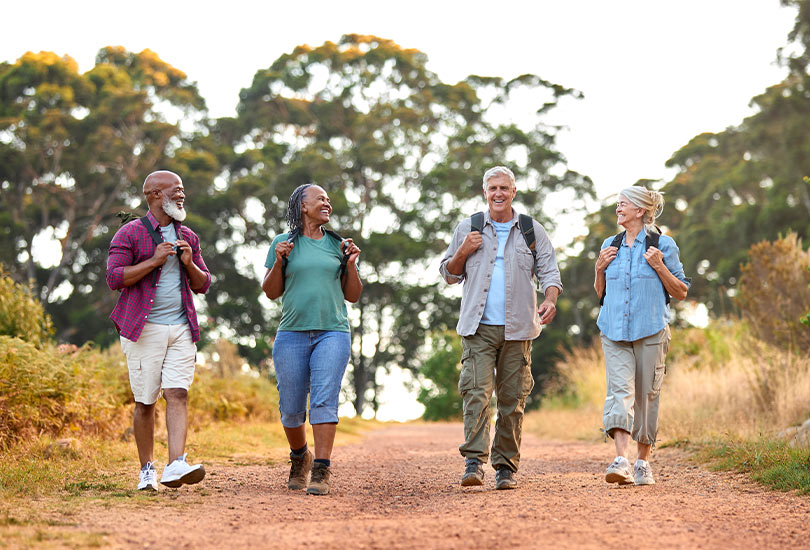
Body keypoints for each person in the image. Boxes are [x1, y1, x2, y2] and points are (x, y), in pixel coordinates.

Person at [439, 166, 562, 490]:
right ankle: (474, 464)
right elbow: (449, 274)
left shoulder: (531, 230)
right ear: (484, 192)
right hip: (477, 328)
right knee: (476, 395)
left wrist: (549, 300)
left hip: (519, 329)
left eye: (504, 188)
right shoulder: (469, 227)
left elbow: (550, 273)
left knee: (512, 401)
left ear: (513, 191)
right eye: (492, 188)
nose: (498, 194)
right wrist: (464, 250)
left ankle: (505, 468)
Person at [107, 170, 212, 491]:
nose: (182, 195)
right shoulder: (130, 234)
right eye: (176, 190)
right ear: (154, 194)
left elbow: (203, 284)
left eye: (182, 190)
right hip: (143, 328)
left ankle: (176, 464)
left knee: (178, 392)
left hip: (182, 327)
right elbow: (114, 278)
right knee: (146, 401)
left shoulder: (188, 237)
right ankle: (147, 470)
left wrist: (190, 263)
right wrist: (153, 261)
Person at [262, 183, 362, 496]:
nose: (327, 203)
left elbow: (354, 295)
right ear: (303, 206)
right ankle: (299, 456)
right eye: (320, 199)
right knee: (291, 409)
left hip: (333, 331)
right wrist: (279, 261)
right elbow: (270, 291)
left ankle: (322, 469)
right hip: (291, 333)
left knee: (323, 399)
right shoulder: (283, 243)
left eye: (329, 200)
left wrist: (351, 265)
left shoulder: (338, 244)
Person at [593, 186, 690, 486]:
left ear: (640, 211)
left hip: (651, 330)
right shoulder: (610, 244)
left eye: (623, 204)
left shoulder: (663, 244)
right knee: (619, 392)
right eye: (618, 204)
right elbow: (601, 293)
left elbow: (681, 291)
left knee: (646, 396)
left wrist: (659, 265)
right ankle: (621, 459)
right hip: (614, 330)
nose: (618, 209)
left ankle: (642, 463)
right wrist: (599, 269)